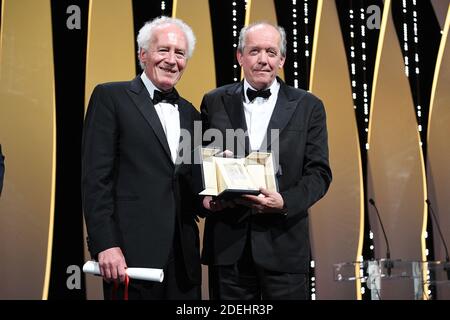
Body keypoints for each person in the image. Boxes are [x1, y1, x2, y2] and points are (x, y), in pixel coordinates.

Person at [200, 22, 332, 300]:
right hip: (228, 246)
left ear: (282, 60)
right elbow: (200, 162)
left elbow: (319, 173)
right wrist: (212, 192)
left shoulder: (309, 106)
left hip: (284, 245)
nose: (263, 59)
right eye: (255, 51)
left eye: (271, 52)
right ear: (240, 56)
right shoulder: (213, 101)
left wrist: (284, 201)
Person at [82, 16, 202, 300]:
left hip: (184, 262)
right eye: (164, 50)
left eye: (180, 53)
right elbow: (95, 179)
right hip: (128, 255)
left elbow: (188, 184)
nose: (172, 60)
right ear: (143, 54)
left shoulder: (191, 114)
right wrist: (105, 244)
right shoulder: (110, 97)